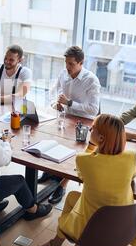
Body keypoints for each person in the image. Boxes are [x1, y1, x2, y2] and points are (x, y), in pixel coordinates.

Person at [36, 114, 136, 246]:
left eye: (93, 128)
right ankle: (54, 244)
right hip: (124, 228)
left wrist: (91, 145)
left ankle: (56, 243)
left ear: (101, 138)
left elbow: (80, 172)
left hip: (91, 229)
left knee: (72, 197)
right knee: (74, 197)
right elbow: (135, 172)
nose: (90, 130)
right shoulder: (131, 156)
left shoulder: (84, 160)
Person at [39, 45, 101, 204]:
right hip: (66, 118)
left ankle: (62, 185)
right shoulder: (63, 74)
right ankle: (51, 172)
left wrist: (69, 103)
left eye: (71, 64)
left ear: (81, 63)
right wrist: (56, 104)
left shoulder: (91, 80)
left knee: (75, 154)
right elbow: (54, 94)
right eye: (66, 63)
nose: (67, 67)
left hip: (84, 123)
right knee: (51, 142)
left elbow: (93, 110)